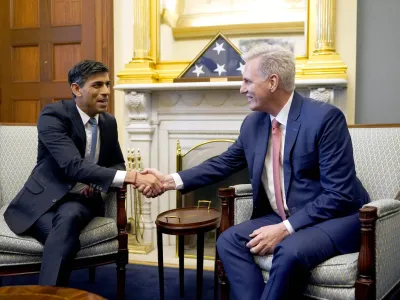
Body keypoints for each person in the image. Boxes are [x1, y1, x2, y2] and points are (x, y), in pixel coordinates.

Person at [139, 45, 370, 299]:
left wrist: (285, 228)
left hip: (335, 218)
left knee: (289, 251)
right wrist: (169, 180)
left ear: (272, 82)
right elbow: (222, 163)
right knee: (228, 241)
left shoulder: (325, 119)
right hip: (284, 215)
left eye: (247, 81)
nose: (241, 89)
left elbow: (340, 195)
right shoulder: (253, 124)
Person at [3, 60, 163, 286]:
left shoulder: (108, 122)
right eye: (97, 85)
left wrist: (98, 183)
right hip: (40, 202)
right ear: (76, 89)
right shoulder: (54, 116)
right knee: (65, 241)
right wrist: (134, 177)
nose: (106, 92)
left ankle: (47, 295)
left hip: (80, 200)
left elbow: (116, 163)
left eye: (108, 84)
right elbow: (72, 165)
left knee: (67, 222)